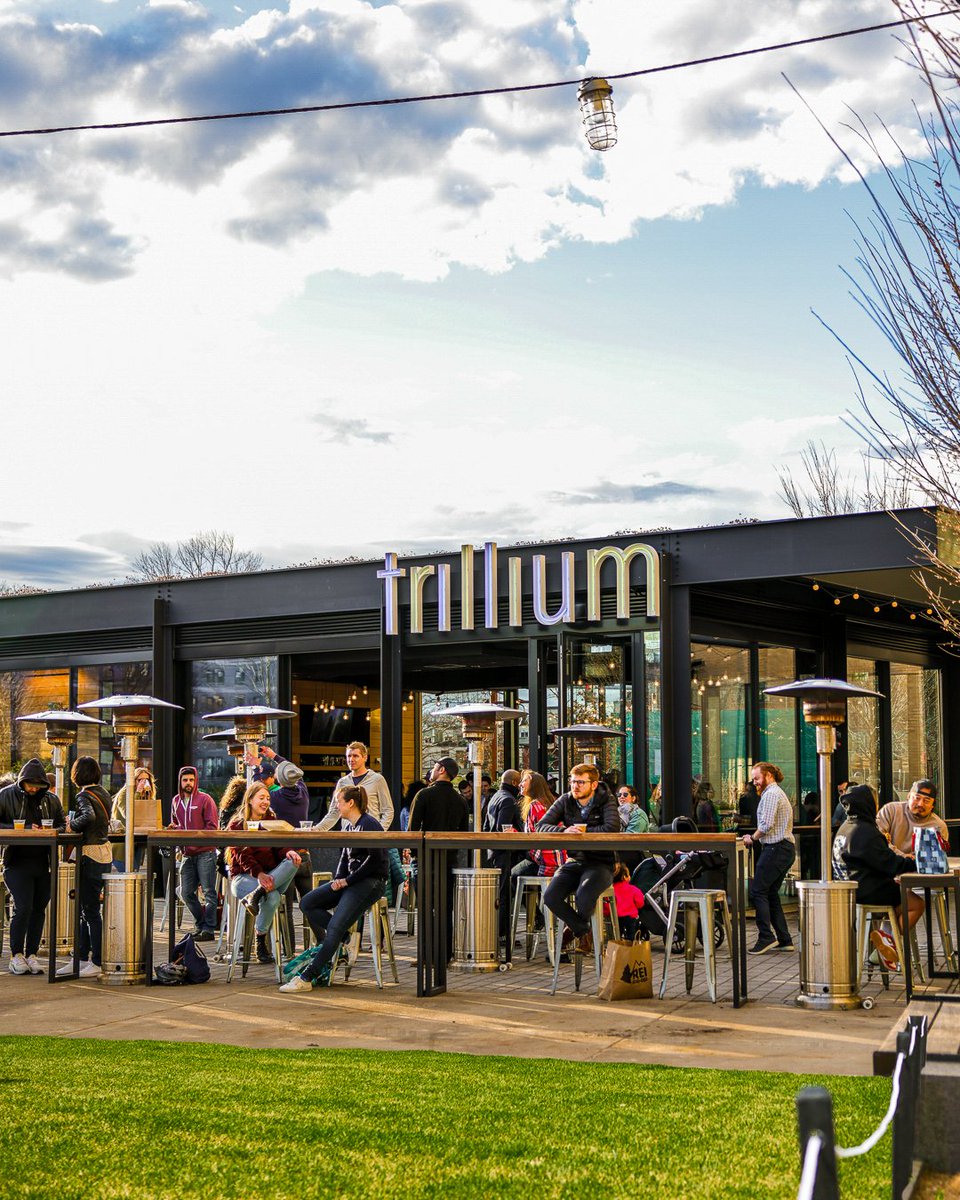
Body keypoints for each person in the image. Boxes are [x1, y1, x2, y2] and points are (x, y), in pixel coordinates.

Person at [280, 785, 388, 992]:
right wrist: (339, 880)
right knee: (307, 903)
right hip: (352, 881)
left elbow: (375, 861)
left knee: (334, 928)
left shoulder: (369, 824)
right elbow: (344, 858)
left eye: (339, 801)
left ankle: (306, 978)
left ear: (351, 803)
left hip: (371, 882)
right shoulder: (349, 826)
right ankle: (345, 938)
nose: (336, 805)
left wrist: (347, 881)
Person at [833, 783, 922, 971]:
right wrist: (914, 862)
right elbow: (890, 864)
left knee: (896, 904)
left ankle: (884, 940)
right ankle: (889, 942)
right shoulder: (866, 831)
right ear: (868, 804)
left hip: (848, 890)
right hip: (869, 891)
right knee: (916, 904)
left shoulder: (845, 827)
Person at [537, 762, 619, 955]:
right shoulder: (566, 800)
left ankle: (574, 932)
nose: (575, 786)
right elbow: (541, 826)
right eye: (573, 781)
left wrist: (584, 831)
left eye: (581, 782)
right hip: (575, 861)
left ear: (594, 784)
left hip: (601, 862)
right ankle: (582, 931)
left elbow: (612, 828)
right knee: (550, 897)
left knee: (584, 896)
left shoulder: (606, 800)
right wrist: (564, 831)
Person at [0, 758, 66, 977]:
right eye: (30, 785)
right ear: (22, 782)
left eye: (38, 786)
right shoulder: (6, 795)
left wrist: (51, 831)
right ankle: (16, 955)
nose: (34, 789)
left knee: (39, 909)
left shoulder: (51, 799)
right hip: (16, 862)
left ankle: (32, 954)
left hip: (44, 862)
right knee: (23, 907)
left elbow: (62, 824)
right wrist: (21, 829)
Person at [226, 782, 301, 964]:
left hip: (270, 875)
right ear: (250, 800)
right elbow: (242, 854)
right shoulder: (237, 824)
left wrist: (289, 851)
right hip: (244, 878)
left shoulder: (271, 820)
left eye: (268, 798)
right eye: (261, 798)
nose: (266, 802)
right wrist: (259, 874)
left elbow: (279, 846)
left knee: (294, 860)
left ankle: (258, 893)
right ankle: (260, 940)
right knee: (273, 896)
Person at [57, 757, 112, 978]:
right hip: (104, 853)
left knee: (89, 911)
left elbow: (88, 816)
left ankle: (96, 961)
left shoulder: (83, 795)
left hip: (89, 854)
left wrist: (71, 824)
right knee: (88, 911)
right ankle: (80, 959)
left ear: (77, 774)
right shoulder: (104, 793)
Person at [408, 757, 469, 957]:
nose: (432, 770)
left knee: (426, 908)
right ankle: (445, 952)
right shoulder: (460, 800)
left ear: (441, 770)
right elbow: (463, 834)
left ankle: (426, 954)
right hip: (448, 860)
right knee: (446, 908)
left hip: (424, 859)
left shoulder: (423, 795)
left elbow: (412, 830)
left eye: (435, 767)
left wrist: (413, 855)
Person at [743, 762, 795, 955]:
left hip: (776, 848)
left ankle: (766, 937)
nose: (754, 782)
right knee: (771, 893)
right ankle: (784, 939)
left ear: (769, 776)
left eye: (757, 778)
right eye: (753, 779)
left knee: (758, 891)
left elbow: (766, 825)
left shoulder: (771, 794)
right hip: (782, 849)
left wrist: (752, 838)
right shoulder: (775, 793)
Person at [170, 766, 218, 942]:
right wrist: (174, 830)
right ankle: (201, 924)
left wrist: (193, 839)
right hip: (187, 854)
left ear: (196, 781)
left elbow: (212, 827)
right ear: (180, 782)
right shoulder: (176, 801)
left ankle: (209, 929)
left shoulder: (205, 799)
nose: (188, 783)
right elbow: (176, 823)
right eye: (185, 780)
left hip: (205, 852)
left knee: (208, 892)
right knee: (185, 892)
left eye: (191, 780)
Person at [315, 741, 393, 832]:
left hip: (369, 834)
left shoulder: (377, 779)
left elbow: (388, 810)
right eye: (349, 756)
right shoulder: (342, 782)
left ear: (365, 757)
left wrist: (379, 831)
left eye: (355, 756)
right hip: (347, 834)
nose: (351, 759)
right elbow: (334, 812)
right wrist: (316, 829)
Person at [483, 768, 522, 943]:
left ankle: (498, 931)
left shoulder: (494, 797)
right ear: (514, 783)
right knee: (504, 893)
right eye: (519, 782)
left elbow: (486, 826)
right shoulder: (508, 800)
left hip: (493, 851)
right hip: (505, 852)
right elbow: (503, 828)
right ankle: (502, 934)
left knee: (501, 891)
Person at [877, 779, 950, 856]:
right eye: (917, 798)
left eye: (926, 801)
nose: (920, 804)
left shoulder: (938, 826)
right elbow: (877, 840)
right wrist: (902, 856)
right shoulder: (891, 810)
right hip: (889, 860)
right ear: (908, 797)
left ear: (933, 805)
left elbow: (935, 856)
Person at [612, 861, 646, 941]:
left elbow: (607, 905)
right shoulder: (633, 889)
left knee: (617, 934)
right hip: (630, 916)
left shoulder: (612, 890)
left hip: (616, 916)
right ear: (624, 877)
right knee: (631, 933)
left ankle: (618, 944)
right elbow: (640, 902)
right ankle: (631, 944)